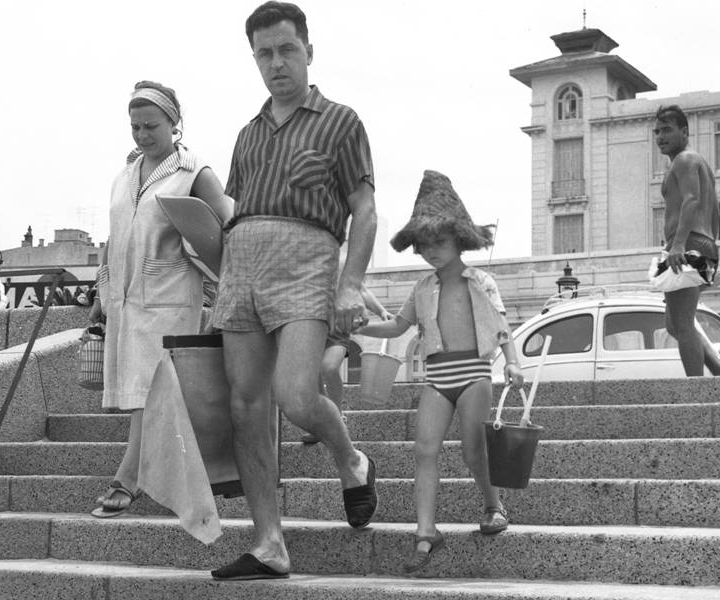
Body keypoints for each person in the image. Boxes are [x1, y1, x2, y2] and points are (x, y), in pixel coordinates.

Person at [208, 2, 378, 580]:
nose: (276, 63)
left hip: (306, 259)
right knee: (244, 403)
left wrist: (350, 283)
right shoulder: (247, 134)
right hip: (242, 265)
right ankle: (269, 543)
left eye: (287, 49)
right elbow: (237, 210)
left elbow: (366, 211)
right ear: (253, 58)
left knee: (296, 397)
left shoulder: (341, 121)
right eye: (264, 53)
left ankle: (352, 459)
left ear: (309, 50)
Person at [355, 170, 525, 574]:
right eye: (425, 244)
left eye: (441, 241)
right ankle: (425, 530)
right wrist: (360, 325)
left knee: (472, 450)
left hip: (474, 373)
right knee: (424, 450)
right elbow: (398, 326)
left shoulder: (481, 280)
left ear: (459, 238)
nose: (432, 250)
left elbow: (501, 326)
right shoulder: (423, 287)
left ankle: (492, 504)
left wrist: (513, 360)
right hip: (437, 376)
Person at [87, 80, 233, 518]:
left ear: (175, 122)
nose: (142, 135)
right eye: (135, 127)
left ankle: (128, 477)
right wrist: (99, 299)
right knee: (150, 391)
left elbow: (226, 228)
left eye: (151, 125)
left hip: (170, 296)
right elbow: (116, 238)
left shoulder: (195, 171)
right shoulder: (124, 175)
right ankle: (180, 476)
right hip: (125, 298)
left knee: (155, 388)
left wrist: (229, 287)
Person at [654, 105, 720, 377]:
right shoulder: (698, 163)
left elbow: (692, 201)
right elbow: (715, 208)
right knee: (674, 324)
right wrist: (710, 253)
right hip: (701, 244)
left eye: (667, 130)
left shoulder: (684, 160)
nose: (660, 137)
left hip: (687, 245)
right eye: (657, 131)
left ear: (684, 131)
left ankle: (698, 393)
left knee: (682, 324)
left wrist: (679, 245)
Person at [301, 283, 393, 444]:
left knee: (329, 368)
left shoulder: (340, 260)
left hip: (337, 331)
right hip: (310, 328)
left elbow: (360, 289)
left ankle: (337, 418)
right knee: (313, 374)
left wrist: (381, 311)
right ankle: (321, 422)